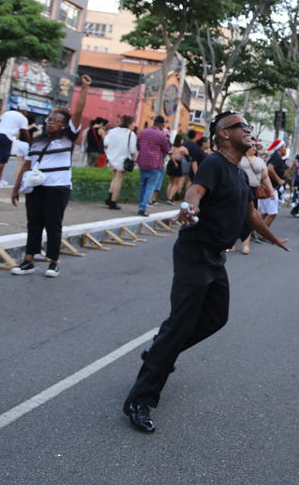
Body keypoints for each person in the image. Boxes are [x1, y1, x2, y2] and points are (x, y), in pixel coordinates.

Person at [123, 111, 290, 434]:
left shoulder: (240, 174)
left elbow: (250, 213)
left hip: (215, 258)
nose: (248, 130)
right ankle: (139, 400)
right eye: (242, 126)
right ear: (224, 134)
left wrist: (273, 239)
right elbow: (195, 191)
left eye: (248, 126)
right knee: (180, 324)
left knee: (216, 318)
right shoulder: (214, 163)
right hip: (194, 254)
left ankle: (160, 350)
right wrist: (189, 207)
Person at [10, 75, 91, 278]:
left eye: (56, 120)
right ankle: (29, 260)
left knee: (53, 225)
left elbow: (79, 110)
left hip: (58, 187)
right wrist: (15, 187)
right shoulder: (36, 140)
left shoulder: (67, 137)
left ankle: (54, 262)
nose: (51, 123)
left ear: (65, 125)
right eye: (49, 119)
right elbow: (27, 164)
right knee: (34, 223)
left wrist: (84, 88)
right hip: (35, 187)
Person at [237, 141, 273, 251]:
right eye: (251, 145)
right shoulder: (238, 157)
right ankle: (232, 244)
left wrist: (271, 191)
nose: (253, 147)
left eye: (254, 146)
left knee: (249, 217)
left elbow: (265, 178)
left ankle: (245, 244)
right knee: (235, 215)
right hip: (238, 189)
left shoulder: (260, 161)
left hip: (252, 190)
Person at [135, 116, 171, 217]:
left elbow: (138, 146)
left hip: (142, 163)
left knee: (142, 184)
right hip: (155, 164)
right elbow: (166, 149)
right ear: (161, 125)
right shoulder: (161, 135)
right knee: (150, 186)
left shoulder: (143, 132)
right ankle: (143, 208)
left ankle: (140, 205)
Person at [0, 106, 30, 187]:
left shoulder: (7, 113)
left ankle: (0, 179)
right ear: (23, 110)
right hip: (6, 137)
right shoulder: (23, 118)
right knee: (3, 161)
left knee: (1, 159)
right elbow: (25, 132)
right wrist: (30, 143)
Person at [103, 115, 138, 210]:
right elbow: (132, 149)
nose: (134, 125)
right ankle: (113, 202)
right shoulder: (131, 134)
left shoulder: (113, 131)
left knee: (115, 178)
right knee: (118, 179)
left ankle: (109, 196)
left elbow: (105, 143)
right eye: (133, 123)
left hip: (111, 157)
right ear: (129, 124)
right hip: (122, 159)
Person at [261, 139, 288, 228]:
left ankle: (251, 232)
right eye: (284, 146)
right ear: (279, 148)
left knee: (265, 213)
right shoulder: (276, 157)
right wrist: (278, 180)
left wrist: (292, 168)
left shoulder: (275, 157)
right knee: (272, 213)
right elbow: (270, 168)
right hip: (270, 189)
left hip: (268, 188)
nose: (285, 148)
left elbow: (283, 174)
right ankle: (262, 235)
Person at [165, 133, 189, 204]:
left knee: (170, 183)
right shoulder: (183, 149)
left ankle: (167, 197)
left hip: (170, 164)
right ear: (181, 140)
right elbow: (188, 158)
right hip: (178, 164)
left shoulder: (172, 147)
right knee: (176, 184)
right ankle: (170, 198)